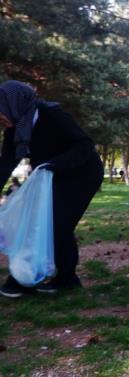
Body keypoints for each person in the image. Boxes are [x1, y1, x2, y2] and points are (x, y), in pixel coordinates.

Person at [0, 80, 103, 298]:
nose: (0, 118)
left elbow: (84, 145)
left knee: (58, 223)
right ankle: (24, 277)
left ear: (14, 104)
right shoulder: (15, 130)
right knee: (35, 223)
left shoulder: (53, 116)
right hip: (50, 175)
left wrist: (55, 164)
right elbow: (6, 163)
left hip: (82, 173)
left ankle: (66, 279)